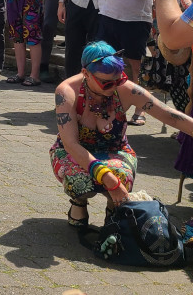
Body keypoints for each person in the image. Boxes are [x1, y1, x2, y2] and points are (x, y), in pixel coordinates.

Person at [51, 42, 193, 228]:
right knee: (79, 182)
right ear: (86, 73)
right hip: (74, 152)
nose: (114, 86)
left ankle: (114, 208)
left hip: (115, 150)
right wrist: (106, 177)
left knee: (121, 175)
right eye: (106, 82)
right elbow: (70, 144)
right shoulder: (67, 92)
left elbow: (170, 117)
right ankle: (79, 203)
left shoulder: (125, 88)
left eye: (118, 79)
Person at [93, 0, 156, 124]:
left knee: (135, 66)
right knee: (105, 62)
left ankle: (141, 110)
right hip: (108, 16)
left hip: (134, 20)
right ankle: (108, 105)